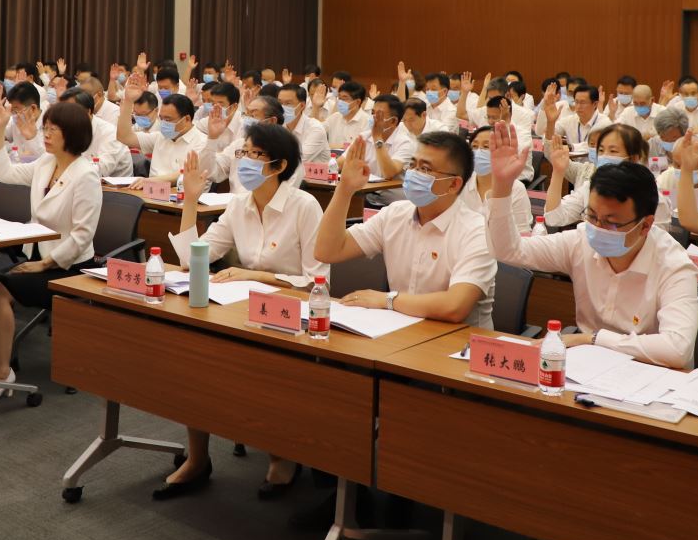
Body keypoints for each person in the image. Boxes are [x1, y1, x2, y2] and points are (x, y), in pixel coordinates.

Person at [156, 125, 328, 500]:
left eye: (254, 154)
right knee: (196, 356)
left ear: (279, 166)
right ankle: (198, 458)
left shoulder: (304, 206)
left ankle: (282, 456)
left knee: (266, 373)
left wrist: (256, 275)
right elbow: (190, 258)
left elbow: (317, 280)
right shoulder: (239, 204)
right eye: (243, 153)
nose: (245, 161)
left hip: (292, 319)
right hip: (244, 309)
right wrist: (190, 201)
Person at [485, 124, 698, 367]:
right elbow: (509, 251)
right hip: (586, 368)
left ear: (646, 225)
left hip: (651, 372)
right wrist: (502, 187)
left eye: (611, 223)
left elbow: (677, 349)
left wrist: (593, 339)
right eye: (592, 216)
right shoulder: (581, 240)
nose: (598, 228)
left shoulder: (674, 265)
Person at [0, 100, 101, 409]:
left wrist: (45, 264)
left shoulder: (86, 175)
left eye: (53, 130)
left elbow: (82, 235)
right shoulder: (45, 164)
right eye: (45, 128)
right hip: (36, 257)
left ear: (73, 134)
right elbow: (2, 172)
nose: (45, 135)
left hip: (68, 267)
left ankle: (1, 372)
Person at [314, 133, 495, 328]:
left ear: (453, 184)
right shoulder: (395, 214)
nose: (414, 174)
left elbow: (455, 307)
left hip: (458, 341)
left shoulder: (477, 231)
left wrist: (387, 300)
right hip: (400, 331)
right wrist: (345, 189)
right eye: (412, 165)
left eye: (425, 169)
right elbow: (327, 251)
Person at [542, 124, 648, 229]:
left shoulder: (646, 192)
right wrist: (558, 172)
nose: (604, 156)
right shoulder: (590, 187)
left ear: (633, 158)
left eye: (613, 151)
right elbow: (553, 218)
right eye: (601, 150)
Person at [114, 71, 211, 181]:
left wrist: (150, 181)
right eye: (162, 118)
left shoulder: (203, 143)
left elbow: (187, 174)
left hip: (179, 191)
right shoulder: (160, 137)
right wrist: (128, 101)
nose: (164, 123)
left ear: (187, 119)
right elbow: (124, 137)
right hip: (151, 189)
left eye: (168, 119)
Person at [457, 124, 532, 232]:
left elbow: (522, 232)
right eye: (474, 146)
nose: (478, 152)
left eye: (486, 147)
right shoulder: (462, 183)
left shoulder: (516, 189)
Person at [361, 93, 415, 181]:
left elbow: (389, 173)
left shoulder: (405, 143)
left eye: (379, 115)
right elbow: (342, 163)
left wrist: (377, 138)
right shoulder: (364, 136)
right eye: (372, 113)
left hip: (389, 189)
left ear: (393, 121)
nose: (373, 118)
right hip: (365, 188)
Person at [277, 82, 330, 166]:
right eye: (279, 103)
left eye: (288, 103)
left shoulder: (315, 129)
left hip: (313, 174)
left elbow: (298, 161)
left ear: (302, 106)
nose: (282, 107)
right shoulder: (278, 127)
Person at [322, 79, 372, 145]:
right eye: (339, 98)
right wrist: (316, 107)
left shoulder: (367, 121)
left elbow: (361, 147)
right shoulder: (335, 117)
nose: (340, 102)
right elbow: (316, 131)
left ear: (357, 102)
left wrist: (336, 147)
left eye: (345, 98)